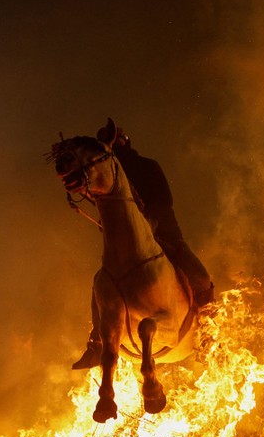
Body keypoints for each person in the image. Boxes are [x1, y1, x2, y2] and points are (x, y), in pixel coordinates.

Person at [72, 119, 214, 370]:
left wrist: (149, 221)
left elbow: (163, 199)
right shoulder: (104, 172)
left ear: (124, 142)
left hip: (162, 229)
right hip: (127, 242)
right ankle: (97, 343)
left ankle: (208, 334)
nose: (115, 146)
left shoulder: (147, 166)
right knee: (100, 284)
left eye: (116, 141)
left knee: (198, 275)